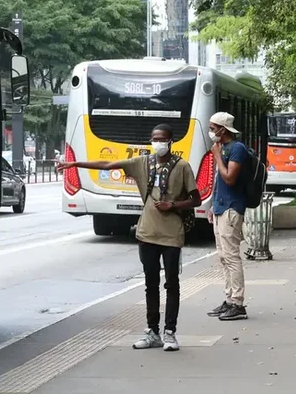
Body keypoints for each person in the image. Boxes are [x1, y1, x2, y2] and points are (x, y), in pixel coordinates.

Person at [57, 124, 201, 351]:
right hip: (146, 234)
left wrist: (171, 205)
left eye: (162, 139)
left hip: (172, 235)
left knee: (171, 284)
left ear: (171, 141)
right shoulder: (142, 163)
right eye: (154, 139)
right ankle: (152, 332)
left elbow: (196, 199)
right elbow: (106, 164)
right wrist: (74, 164)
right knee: (150, 285)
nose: (158, 143)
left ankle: (170, 333)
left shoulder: (182, 167)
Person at [206, 112, 249, 321]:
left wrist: (216, 156)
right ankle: (229, 299)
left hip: (232, 208)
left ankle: (238, 303)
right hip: (220, 208)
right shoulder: (222, 149)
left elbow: (229, 178)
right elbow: (218, 182)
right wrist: (212, 206)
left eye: (213, 128)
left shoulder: (237, 149)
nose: (211, 132)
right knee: (223, 257)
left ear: (223, 129)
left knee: (231, 257)